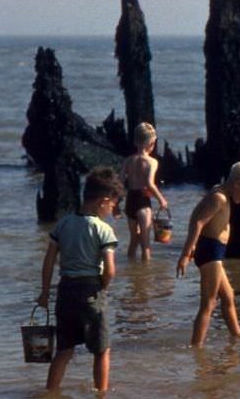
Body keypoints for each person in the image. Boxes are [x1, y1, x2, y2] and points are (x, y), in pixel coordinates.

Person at [36, 167, 124, 392]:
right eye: (112, 205)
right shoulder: (103, 230)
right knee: (102, 350)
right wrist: (102, 287)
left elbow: (48, 262)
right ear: (103, 201)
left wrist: (45, 292)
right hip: (90, 291)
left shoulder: (63, 224)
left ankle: (51, 392)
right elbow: (110, 270)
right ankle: (101, 393)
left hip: (65, 291)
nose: (111, 210)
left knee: (64, 350)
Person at [176, 160, 240, 347]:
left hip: (215, 251)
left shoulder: (221, 192)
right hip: (210, 252)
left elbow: (197, 215)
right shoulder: (220, 198)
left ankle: (237, 333)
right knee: (209, 303)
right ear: (238, 184)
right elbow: (198, 222)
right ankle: (196, 345)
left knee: (228, 296)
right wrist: (186, 253)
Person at [120, 122, 169, 261]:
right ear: (152, 143)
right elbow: (149, 183)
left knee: (134, 240)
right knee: (146, 245)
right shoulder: (152, 162)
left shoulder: (128, 160)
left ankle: (132, 270)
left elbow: (119, 181)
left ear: (135, 141)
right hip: (142, 203)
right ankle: (145, 279)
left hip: (130, 201)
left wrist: (117, 204)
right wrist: (161, 200)